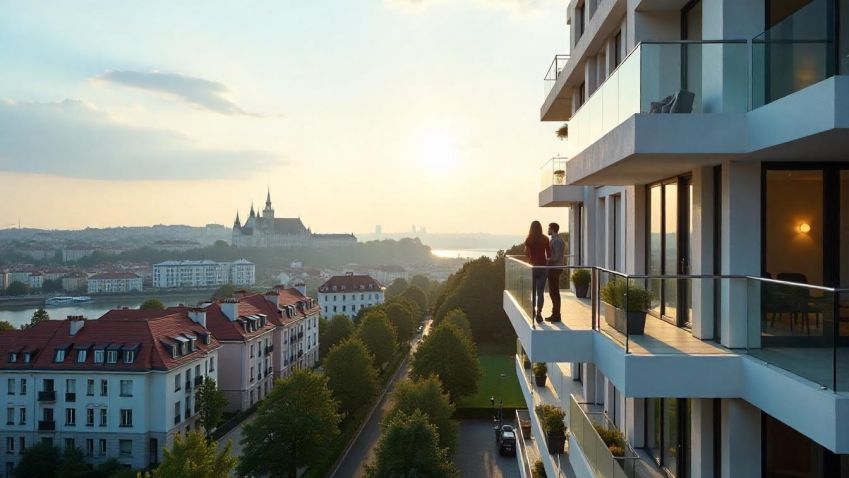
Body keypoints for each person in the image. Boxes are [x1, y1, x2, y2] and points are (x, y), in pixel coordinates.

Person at [524, 221, 550, 323]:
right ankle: (539, 313)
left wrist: (531, 257)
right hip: (542, 267)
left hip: (532, 267)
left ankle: (533, 311)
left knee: (533, 291)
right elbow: (549, 253)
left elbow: (526, 253)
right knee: (540, 292)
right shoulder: (545, 239)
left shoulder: (529, 239)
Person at [546, 222, 565, 322]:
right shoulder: (554, 240)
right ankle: (555, 314)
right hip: (553, 268)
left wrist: (546, 260)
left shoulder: (557, 241)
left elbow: (556, 256)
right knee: (553, 292)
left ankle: (556, 315)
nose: (547, 230)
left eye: (549, 228)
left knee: (554, 292)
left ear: (552, 229)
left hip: (555, 269)